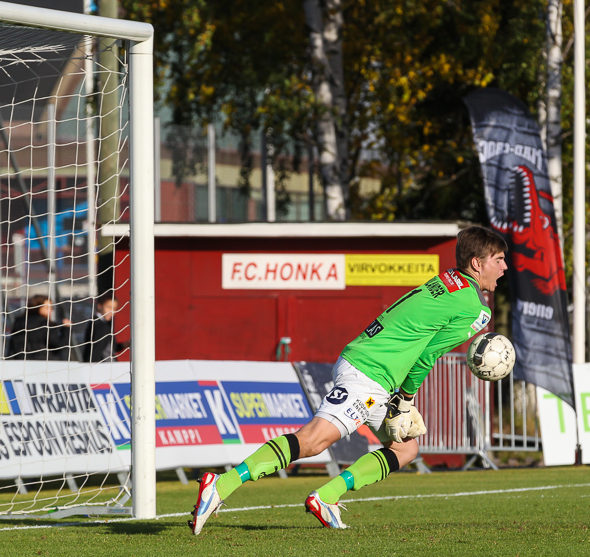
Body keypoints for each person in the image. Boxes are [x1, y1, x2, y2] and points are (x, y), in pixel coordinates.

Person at [190, 225, 509, 534]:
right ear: (477, 264)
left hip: (370, 371)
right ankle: (221, 484)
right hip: (368, 376)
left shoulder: (449, 280)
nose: (505, 267)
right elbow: (427, 354)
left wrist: (397, 399)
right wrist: (406, 400)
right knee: (314, 440)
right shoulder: (474, 308)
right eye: (498, 260)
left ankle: (326, 498)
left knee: (405, 449)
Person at [6, 295, 72, 360]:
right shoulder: (45, 324)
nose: (51, 311)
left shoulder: (18, 323)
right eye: (47, 308)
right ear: (37, 307)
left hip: (21, 363)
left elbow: (12, 347)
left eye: (51, 308)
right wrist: (66, 328)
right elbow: (59, 345)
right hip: (43, 363)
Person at [81, 294, 128, 362]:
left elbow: (110, 347)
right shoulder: (100, 326)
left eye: (114, 308)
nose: (111, 311)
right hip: (103, 368)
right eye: (109, 307)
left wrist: (125, 344)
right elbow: (95, 352)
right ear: (100, 306)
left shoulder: (101, 324)